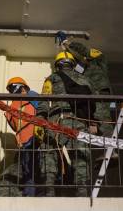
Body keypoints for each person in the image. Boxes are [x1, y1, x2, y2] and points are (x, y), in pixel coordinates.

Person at [37, 51, 99, 197]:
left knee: (49, 153)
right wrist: (94, 122)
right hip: (79, 123)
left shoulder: (52, 78)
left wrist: (40, 120)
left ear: (57, 65)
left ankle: (49, 190)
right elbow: (93, 103)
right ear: (72, 64)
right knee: (80, 157)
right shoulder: (84, 79)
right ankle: (82, 191)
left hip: (56, 122)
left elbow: (44, 101)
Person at [59, 33, 113, 138]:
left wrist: (68, 44)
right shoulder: (83, 69)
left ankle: (110, 149)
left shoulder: (96, 61)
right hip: (93, 93)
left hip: (100, 92)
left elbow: (84, 51)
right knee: (95, 119)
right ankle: (106, 148)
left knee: (103, 119)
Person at [0, 77, 40, 197]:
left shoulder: (32, 96)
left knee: (32, 172)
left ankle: (31, 195)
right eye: (10, 90)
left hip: (35, 142)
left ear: (22, 88)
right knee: (27, 173)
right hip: (23, 146)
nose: (12, 92)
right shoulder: (12, 107)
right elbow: (15, 127)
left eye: (13, 89)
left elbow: (43, 113)